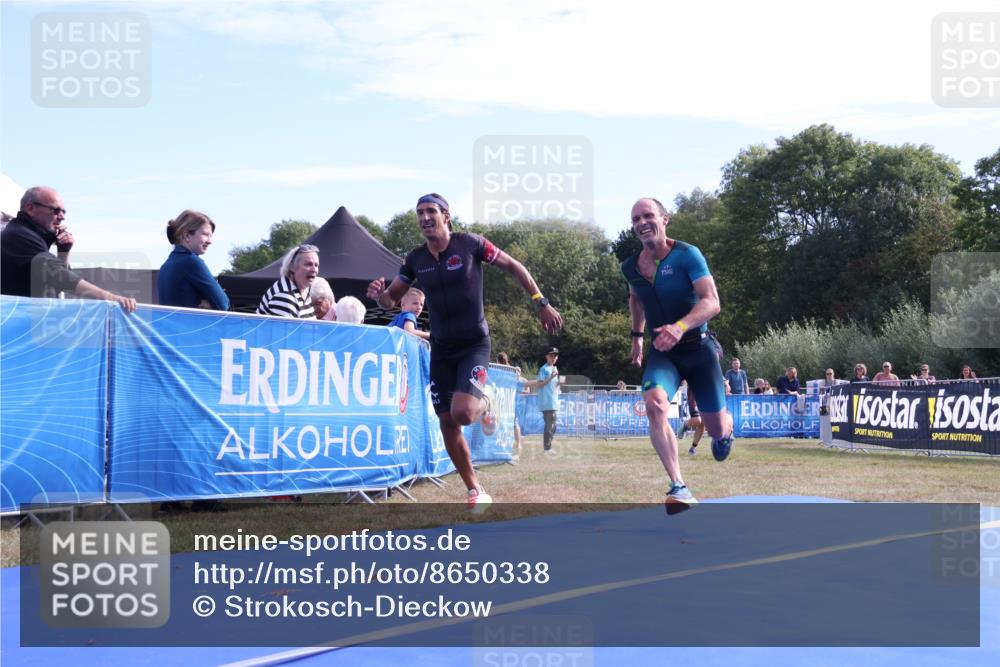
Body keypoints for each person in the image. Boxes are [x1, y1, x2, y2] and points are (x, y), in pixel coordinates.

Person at [367, 193, 562, 509]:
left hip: (473, 344)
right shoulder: (416, 259)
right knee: (447, 421)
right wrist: (380, 297)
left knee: (463, 413)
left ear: (446, 215)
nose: (424, 218)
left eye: (431, 211)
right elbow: (391, 299)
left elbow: (514, 266)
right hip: (441, 348)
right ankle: (475, 489)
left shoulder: (470, 244)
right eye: (419, 213)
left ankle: (485, 401)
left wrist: (541, 301)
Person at [621, 197, 734, 513]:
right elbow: (636, 299)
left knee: (715, 429)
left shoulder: (687, 254)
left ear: (664, 219)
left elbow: (712, 301)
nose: (642, 223)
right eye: (635, 219)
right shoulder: (630, 267)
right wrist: (637, 337)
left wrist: (680, 326)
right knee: (655, 404)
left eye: (648, 216)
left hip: (698, 348)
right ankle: (679, 486)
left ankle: (726, 430)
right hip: (663, 352)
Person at [1, 186, 136, 312]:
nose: (62, 217)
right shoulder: (19, 235)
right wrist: (111, 298)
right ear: (31, 208)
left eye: (63, 211)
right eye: (55, 210)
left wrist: (63, 251)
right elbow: (60, 276)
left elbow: (57, 282)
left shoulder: (28, 236)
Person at [157, 210, 230, 311]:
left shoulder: (166, 265)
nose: (210, 241)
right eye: (205, 234)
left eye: (210, 236)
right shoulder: (191, 262)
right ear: (187, 235)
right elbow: (223, 304)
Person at [256, 244, 318, 318]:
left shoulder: (304, 289)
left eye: (316, 265)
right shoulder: (285, 295)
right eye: (308, 264)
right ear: (292, 267)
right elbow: (286, 326)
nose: (314, 269)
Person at [533, 348, 561, 452]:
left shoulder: (554, 369)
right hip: (546, 401)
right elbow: (539, 384)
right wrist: (551, 377)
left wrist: (559, 383)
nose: (553, 357)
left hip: (553, 401)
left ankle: (548, 446)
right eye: (551, 355)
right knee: (550, 425)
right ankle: (547, 448)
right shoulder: (543, 369)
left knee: (553, 426)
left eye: (555, 356)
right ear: (547, 357)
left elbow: (553, 385)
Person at [496, 352, 522, 462]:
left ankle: (506, 444)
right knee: (514, 423)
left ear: (498, 361)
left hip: (504, 400)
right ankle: (518, 444)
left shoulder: (497, 370)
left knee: (504, 422)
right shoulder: (513, 370)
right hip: (511, 399)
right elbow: (519, 379)